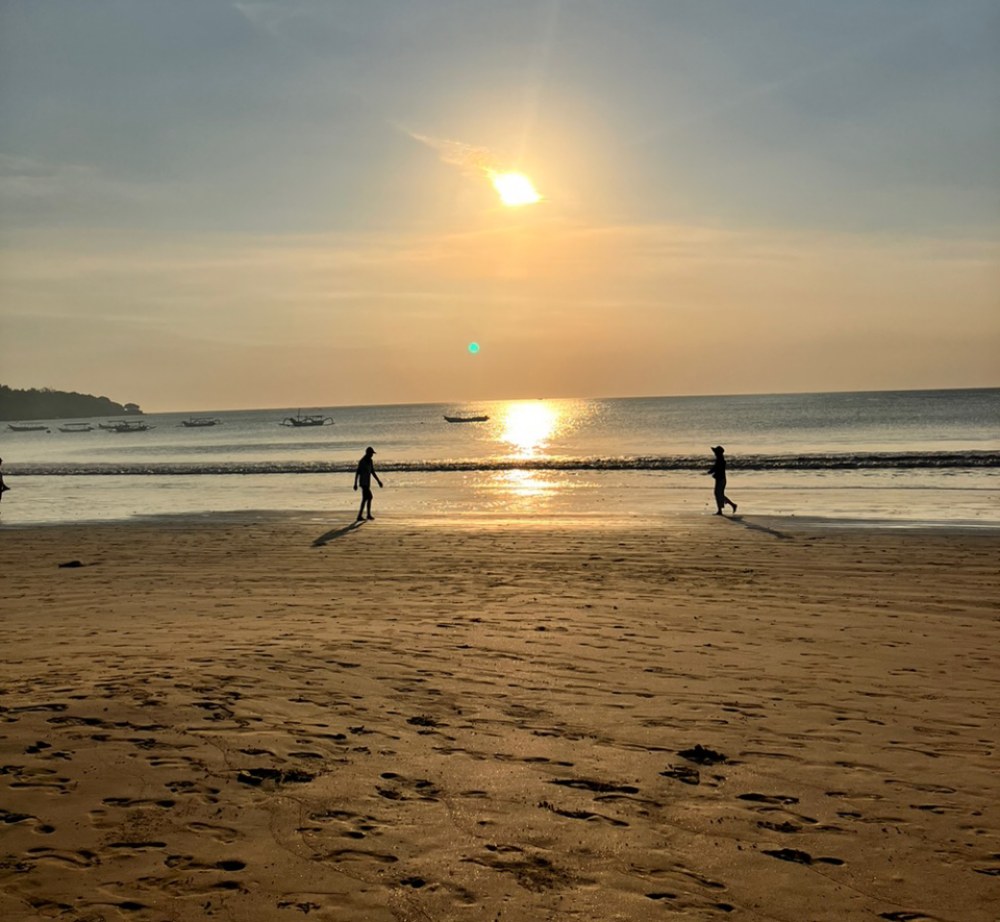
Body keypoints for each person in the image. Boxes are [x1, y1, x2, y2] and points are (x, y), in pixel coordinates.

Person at [353, 446, 382, 521]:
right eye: (371, 453)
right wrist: (355, 484)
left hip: (367, 483)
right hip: (363, 483)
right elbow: (357, 473)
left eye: (372, 453)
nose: (372, 455)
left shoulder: (370, 461)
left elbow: (372, 472)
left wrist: (378, 481)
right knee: (369, 497)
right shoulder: (362, 462)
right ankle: (367, 515)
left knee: (365, 498)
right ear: (368, 453)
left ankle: (360, 515)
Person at [707, 445, 737, 515]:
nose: (714, 453)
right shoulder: (720, 459)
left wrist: (711, 472)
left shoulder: (720, 460)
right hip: (721, 479)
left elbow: (717, 469)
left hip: (720, 480)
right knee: (719, 494)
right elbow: (716, 468)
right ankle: (730, 506)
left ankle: (722, 509)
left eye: (716, 452)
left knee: (718, 494)